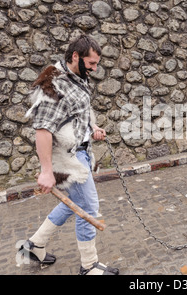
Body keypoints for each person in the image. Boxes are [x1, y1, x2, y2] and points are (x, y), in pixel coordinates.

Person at [19, 35, 119, 275]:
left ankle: (34, 245)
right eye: (92, 63)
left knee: (73, 204)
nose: (95, 69)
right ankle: (89, 266)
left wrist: (92, 127)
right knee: (88, 208)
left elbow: (79, 110)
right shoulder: (53, 83)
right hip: (66, 159)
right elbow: (43, 128)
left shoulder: (78, 77)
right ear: (75, 56)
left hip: (81, 153)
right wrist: (46, 171)